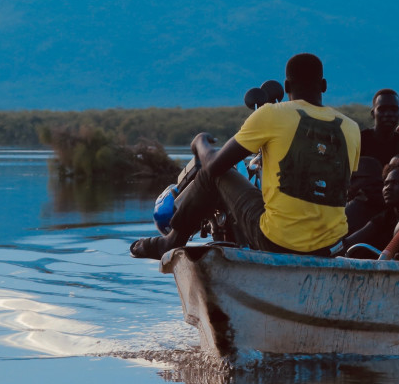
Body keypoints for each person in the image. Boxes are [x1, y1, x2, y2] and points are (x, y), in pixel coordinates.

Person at [130, 53, 361, 258]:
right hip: (332, 246)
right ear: (324, 85)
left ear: (287, 85)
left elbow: (214, 167)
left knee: (215, 174)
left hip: (278, 243)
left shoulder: (272, 114)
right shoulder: (351, 129)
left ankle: (171, 241)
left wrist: (200, 143)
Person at [345, 89, 399, 236]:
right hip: (364, 205)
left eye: (393, 109)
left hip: (396, 210)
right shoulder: (359, 140)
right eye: (382, 109)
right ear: (373, 113)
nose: (388, 114)